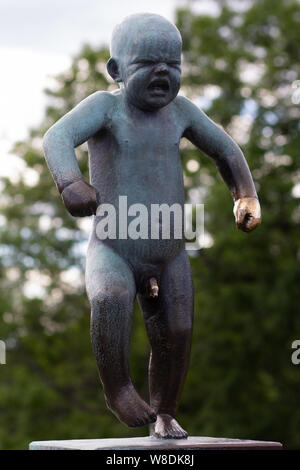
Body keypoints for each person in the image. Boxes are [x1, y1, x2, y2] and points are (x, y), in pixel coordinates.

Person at [43, 13, 261, 439]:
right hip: (113, 248)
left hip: (170, 254)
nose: (163, 71)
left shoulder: (180, 112)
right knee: (111, 297)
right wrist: (69, 183)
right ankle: (119, 388)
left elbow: (225, 149)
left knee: (177, 332)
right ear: (116, 70)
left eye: (173, 64)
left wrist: (245, 194)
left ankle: (165, 412)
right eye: (148, 63)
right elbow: (57, 136)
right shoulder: (105, 107)